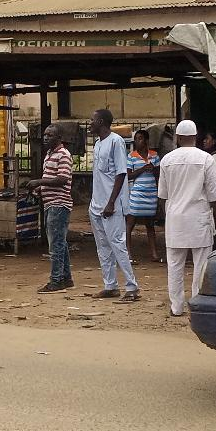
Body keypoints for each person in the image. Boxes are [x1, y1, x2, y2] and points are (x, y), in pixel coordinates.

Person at [158, 120, 216, 318]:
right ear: (195, 137)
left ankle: (176, 307)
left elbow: (163, 196)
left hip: (175, 220)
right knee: (201, 265)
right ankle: (197, 305)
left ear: (178, 138)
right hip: (199, 220)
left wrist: (167, 218)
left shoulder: (167, 160)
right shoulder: (206, 159)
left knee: (174, 265)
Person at [88, 109, 140, 302]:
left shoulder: (116, 141)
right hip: (97, 204)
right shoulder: (98, 144)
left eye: (92, 120)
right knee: (103, 247)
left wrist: (111, 203)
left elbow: (121, 173)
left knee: (117, 244)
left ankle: (132, 287)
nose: (90, 123)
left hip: (112, 205)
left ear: (101, 121)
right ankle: (110, 285)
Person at [27, 124, 74, 293]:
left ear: (59, 138)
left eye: (50, 135)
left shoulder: (63, 155)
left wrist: (39, 182)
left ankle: (56, 280)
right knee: (60, 242)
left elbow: (62, 179)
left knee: (55, 244)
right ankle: (66, 278)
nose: (46, 138)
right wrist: (40, 189)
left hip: (58, 204)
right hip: (50, 203)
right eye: (45, 135)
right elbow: (51, 179)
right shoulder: (49, 155)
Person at [126, 129, 161, 263]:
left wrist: (153, 169)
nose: (137, 141)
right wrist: (142, 169)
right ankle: (129, 254)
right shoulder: (132, 156)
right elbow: (128, 175)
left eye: (140, 139)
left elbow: (158, 176)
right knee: (130, 223)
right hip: (137, 192)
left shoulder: (155, 155)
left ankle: (154, 254)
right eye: (136, 139)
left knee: (150, 224)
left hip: (151, 193)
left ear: (146, 141)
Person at [201, 129, 216, 249]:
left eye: (207, 139)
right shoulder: (214, 156)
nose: (204, 141)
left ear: (214, 141)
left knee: (215, 221)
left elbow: (211, 179)